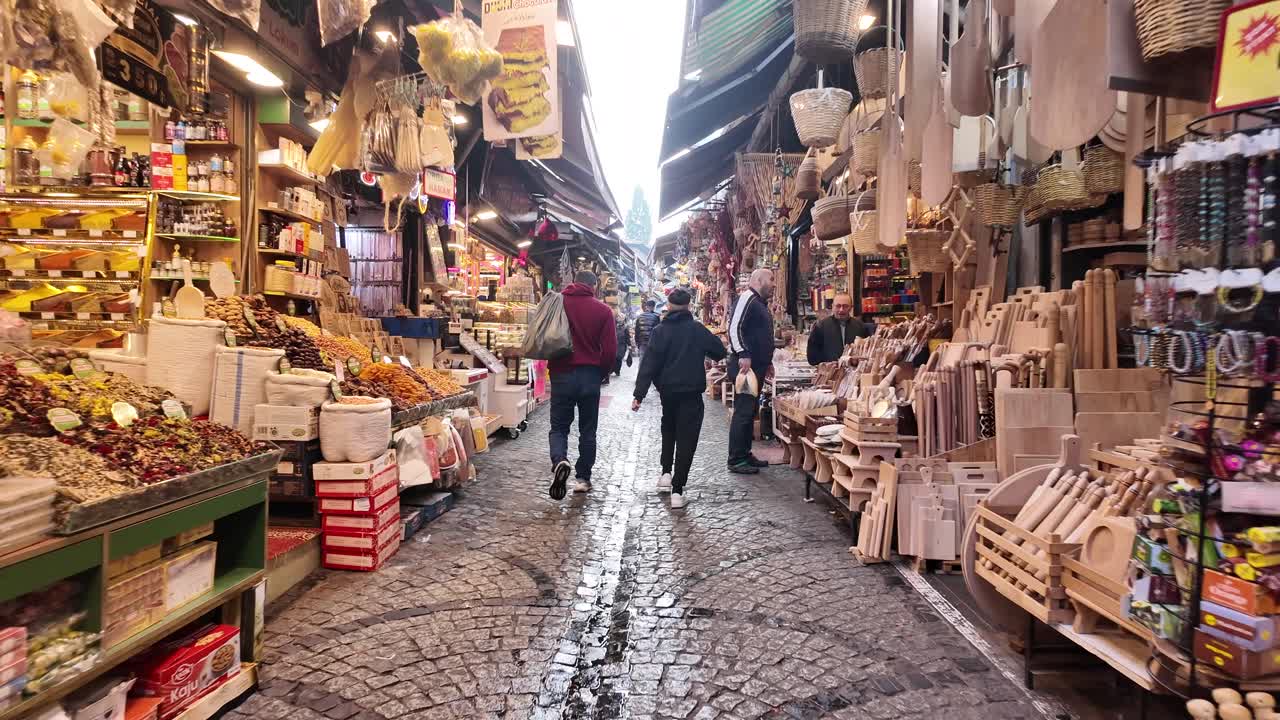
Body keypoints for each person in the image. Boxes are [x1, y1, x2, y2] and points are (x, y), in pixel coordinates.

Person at [631, 289, 727, 509]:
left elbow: (649, 364)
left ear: (669, 306)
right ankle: (677, 490)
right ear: (689, 306)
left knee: (669, 429)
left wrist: (639, 395)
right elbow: (719, 352)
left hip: (667, 393)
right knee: (687, 439)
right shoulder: (696, 329)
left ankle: (665, 473)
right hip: (691, 393)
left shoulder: (660, 331)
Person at [547, 271, 617, 499]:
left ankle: (560, 460)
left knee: (559, 426)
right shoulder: (603, 310)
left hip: (561, 373)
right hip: (589, 376)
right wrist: (602, 372)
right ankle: (582, 478)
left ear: (574, 282)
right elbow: (610, 351)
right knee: (588, 429)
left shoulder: (558, 302)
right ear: (594, 286)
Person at [726, 268, 776, 474]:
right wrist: (743, 353)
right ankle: (736, 459)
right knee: (744, 412)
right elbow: (734, 328)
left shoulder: (759, 303)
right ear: (758, 280)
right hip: (745, 366)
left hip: (756, 366)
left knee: (750, 411)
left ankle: (745, 453)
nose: (774, 283)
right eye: (771, 279)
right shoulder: (747, 297)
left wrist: (767, 361)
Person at [807, 292, 871, 365]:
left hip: (854, 373)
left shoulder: (860, 326)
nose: (841, 310)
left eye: (845, 306)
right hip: (830, 373)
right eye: (838, 306)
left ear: (851, 307)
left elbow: (866, 354)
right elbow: (812, 358)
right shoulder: (820, 326)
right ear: (832, 306)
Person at [611, 310, 633, 378]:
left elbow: (627, 337)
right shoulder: (613, 325)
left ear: (624, 319)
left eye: (621, 317)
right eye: (619, 317)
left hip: (622, 345)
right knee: (614, 357)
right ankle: (613, 370)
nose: (620, 318)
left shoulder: (625, 328)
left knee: (619, 357)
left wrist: (629, 345)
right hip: (614, 344)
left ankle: (617, 371)